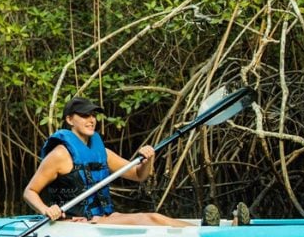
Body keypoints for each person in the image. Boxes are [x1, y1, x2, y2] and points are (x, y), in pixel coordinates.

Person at [23, 96, 194, 227]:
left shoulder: (102, 153)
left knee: (154, 218)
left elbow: (138, 175)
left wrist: (148, 159)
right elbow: (30, 191)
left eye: (93, 115)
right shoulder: (59, 155)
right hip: (74, 223)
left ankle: (203, 229)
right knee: (151, 218)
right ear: (69, 120)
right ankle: (204, 234)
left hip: (100, 219)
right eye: (84, 115)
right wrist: (46, 210)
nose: (91, 120)